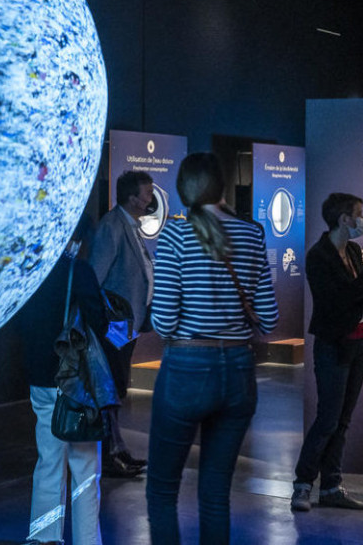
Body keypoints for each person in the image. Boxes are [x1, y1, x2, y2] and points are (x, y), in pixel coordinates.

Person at [146, 152, 278, 545]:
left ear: (183, 188)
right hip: (238, 371)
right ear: (221, 185)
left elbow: (165, 321)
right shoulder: (252, 234)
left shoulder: (174, 235)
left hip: (187, 369)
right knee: (216, 494)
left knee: (162, 491)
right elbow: (269, 319)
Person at [291, 192, 363, 513]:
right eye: (358, 214)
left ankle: (332, 486)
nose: (362, 220)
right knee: (328, 419)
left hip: (359, 345)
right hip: (334, 345)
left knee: (343, 420)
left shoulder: (352, 249)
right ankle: (303, 485)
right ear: (343, 218)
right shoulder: (318, 256)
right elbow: (338, 302)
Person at [19, 215, 109, 545]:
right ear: (79, 239)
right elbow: (97, 323)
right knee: (85, 467)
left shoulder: (33, 271)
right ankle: (87, 541)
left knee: (48, 461)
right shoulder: (79, 272)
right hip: (76, 383)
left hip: (41, 378)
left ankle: (44, 538)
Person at [89, 170, 155, 477]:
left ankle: (117, 450)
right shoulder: (112, 226)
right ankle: (111, 454)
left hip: (126, 324)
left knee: (116, 388)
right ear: (132, 198)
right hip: (114, 325)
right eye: (146, 193)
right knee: (111, 387)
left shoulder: (131, 226)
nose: (150, 199)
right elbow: (95, 279)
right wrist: (108, 322)